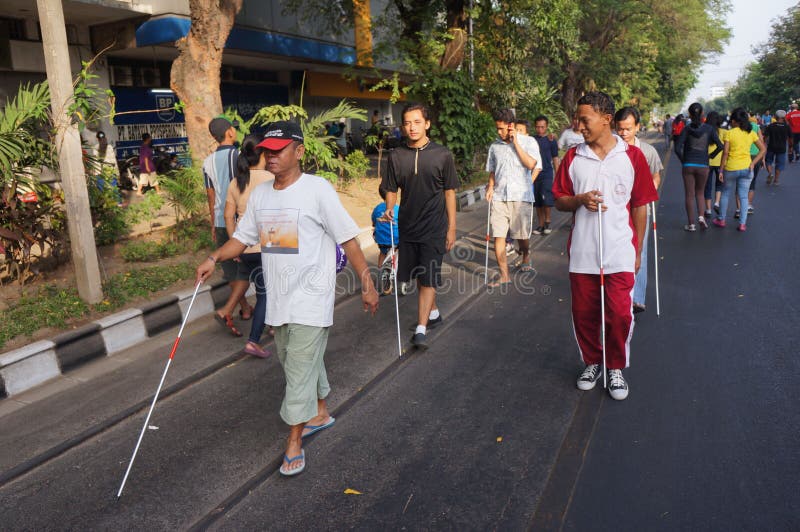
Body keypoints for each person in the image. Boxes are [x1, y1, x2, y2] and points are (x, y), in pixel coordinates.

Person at [196, 120, 379, 477]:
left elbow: (348, 239)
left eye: (279, 150)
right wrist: (214, 257)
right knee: (297, 361)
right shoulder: (262, 194)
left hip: (312, 298)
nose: (271, 156)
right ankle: (320, 412)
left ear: (299, 151)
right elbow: (243, 238)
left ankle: (294, 442)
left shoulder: (317, 190)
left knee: (297, 369)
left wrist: (367, 283)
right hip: (279, 301)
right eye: (267, 151)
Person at [553, 91, 658, 401]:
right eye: (577, 119)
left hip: (620, 251)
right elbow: (559, 200)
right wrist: (579, 200)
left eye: (584, 119)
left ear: (606, 119)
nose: (578, 125)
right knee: (584, 314)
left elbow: (640, 205)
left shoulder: (632, 156)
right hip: (583, 252)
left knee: (620, 315)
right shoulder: (573, 157)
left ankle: (615, 366)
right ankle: (593, 362)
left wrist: (637, 251)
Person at [380, 102, 458, 350]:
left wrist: (452, 228)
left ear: (427, 124)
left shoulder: (442, 155)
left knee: (428, 276)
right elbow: (391, 188)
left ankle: (421, 329)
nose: (412, 127)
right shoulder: (396, 156)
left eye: (417, 122)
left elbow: (450, 192)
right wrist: (389, 208)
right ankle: (433, 313)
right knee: (417, 274)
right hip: (408, 226)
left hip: (435, 226)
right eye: (407, 123)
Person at [224, 135, 275, 358]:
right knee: (265, 294)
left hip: (244, 247)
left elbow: (228, 216)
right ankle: (253, 341)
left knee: (265, 290)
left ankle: (273, 325)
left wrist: (235, 244)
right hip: (267, 247)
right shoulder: (271, 178)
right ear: (263, 154)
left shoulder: (236, 182)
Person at [204, 116, 253, 334]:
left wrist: (213, 223)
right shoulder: (238, 156)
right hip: (238, 220)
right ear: (230, 132)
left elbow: (210, 195)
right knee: (248, 267)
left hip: (219, 221)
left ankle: (245, 308)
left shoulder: (207, 162)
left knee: (232, 271)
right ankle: (231, 309)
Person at [614, 107, 663, 314]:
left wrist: (649, 188)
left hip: (640, 208)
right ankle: (619, 294)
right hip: (617, 210)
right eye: (620, 129)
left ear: (637, 127)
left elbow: (656, 175)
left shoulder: (648, 151)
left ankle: (637, 298)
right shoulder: (611, 151)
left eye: (628, 128)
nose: (624, 133)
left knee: (639, 250)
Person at [714, 107, 766, 232]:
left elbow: (725, 153)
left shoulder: (730, 133)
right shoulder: (751, 133)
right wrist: (753, 163)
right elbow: (763, 149)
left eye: (732, 120)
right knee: (743, 197)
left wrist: (721, 170)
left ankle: (721, 219)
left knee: (725, 193)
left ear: (734, 121)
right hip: (747, 168)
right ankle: (742, 224)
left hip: (731, 168)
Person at [674, 102, 723, 230]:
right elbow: (720, 146)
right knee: (700, 193)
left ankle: (691, 224)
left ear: (689, 114)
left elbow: (677, 148)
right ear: (702, 113)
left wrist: (684, 161)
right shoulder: (709, 129)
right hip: (703, 165)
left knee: (689, 195)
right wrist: (710, 156)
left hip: (688, 165)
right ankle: (701, 217)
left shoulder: (686, 129)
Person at [529, 116, 559, 235]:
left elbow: (555, 158)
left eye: (542, 127)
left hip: (547, 173)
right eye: (537, 127)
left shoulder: (551, 140)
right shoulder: (531, 140)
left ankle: (547, 222)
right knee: (537, 201)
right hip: (534, 174)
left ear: (546, 127)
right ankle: (540, 225)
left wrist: (557, 175)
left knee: (546, 199)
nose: (540, 129)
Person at [736, 114, 765, 217]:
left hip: (743, 156)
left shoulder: (739, 126)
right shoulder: (756, 127)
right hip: (756, 156)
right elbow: (761, 141)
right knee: (752, 182)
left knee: (740, 182)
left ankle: (739, 209)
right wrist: (763, 159)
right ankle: (748, 205)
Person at [703, 111, 725, 217]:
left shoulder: (705, 131)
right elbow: (726, 148)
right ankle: (716, 203)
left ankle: (708, 210)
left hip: (707, 162)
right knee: (719, 184)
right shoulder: (724, 132)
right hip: (720, 162)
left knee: (707, 186)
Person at [371, 187, 400, 267]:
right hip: (395, 240)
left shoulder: (377, 208)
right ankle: (395, 270)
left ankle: (380, 271)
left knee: (382, 253)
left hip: (381, 240)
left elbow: (374, 222)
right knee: (397, 252)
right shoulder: (397, 208)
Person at [763, 109, 790, 185]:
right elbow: (790, 138)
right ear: (784, 117)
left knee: (768, 161)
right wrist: (791, 147)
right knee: (779, 164)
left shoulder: (771, 126)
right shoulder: (787, 127)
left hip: (771, 147)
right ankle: (776, 180)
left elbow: (765, 137)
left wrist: (764, 143)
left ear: (775, 117)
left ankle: (770, 173)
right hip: (782, 148)